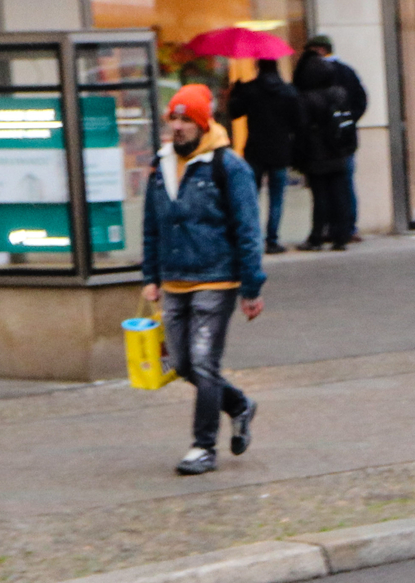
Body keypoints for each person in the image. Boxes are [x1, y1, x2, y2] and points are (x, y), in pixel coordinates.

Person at [141, 84, 266, 476]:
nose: (177, 127)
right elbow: (151, 226)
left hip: (217, 278)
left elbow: (248, 228)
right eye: (172, 119)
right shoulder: (160, 166)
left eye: (185, 120)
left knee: (204, 361)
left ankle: (203, 446)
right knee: (180, 364)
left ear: (201, 122)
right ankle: (239, 405)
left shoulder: (227, 166)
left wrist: (251, 286)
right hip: (175, 279)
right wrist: (151, 276)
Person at [297, 34, 366, 248]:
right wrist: (346, 125)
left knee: (322, 194)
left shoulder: (309, 88)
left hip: (318, 150)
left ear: (319, 49)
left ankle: (322, 233)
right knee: (343, 190)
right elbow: (360, 101)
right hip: (342, 144)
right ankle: (345, 231)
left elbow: (302, 123)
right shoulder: (345, 78)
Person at [228, 56, 302, 254]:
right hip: (280, 151)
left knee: (251, 198)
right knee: (277, 198)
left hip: (255, 151)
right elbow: (299, 121)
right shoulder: (288, 91)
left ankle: (252, 239)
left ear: (257, 67)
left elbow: (234, 113)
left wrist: (236, 90)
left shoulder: (250, 90)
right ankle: (273, 240)